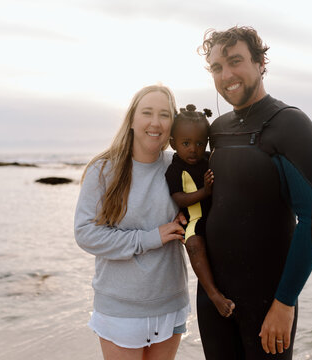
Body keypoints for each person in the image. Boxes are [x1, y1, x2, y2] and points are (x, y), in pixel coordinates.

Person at [196, 26, 312, 359]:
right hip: (214, 300)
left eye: (235, 61)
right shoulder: (217, 130)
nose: (226, 74)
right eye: (217, 67)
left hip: (269, 300)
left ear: (260, 63)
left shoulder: (291, 125)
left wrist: (284, 304)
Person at [74, 85, 190, 360]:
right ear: (132, 119)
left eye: (164, 115)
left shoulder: (179, 167)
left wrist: (190, 220)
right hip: (120, 308)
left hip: (171, 302)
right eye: (147, 113)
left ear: (172, 124)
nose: (155, 122)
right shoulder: (103, 169)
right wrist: (151, 237)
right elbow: (86, 234)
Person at [165, 104, 235, 318]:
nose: (193, 149)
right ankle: (213, 294)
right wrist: (205, 191)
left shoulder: (209, 160)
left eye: (199, 143)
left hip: (216, 217)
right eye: (186, 143)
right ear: (173, 143)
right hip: (195, 219)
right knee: (194, 244)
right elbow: (179, 198)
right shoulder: (175, 168)